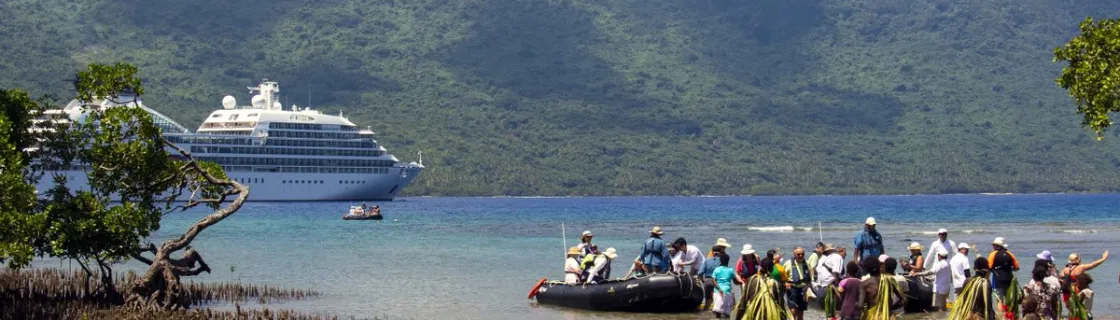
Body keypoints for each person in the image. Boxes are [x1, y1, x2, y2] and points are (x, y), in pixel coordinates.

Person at [783, 247, 811, 320]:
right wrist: (785, 283)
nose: (801, 256)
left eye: (802, 254)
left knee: (801, 310)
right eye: (798, 254)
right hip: (792, 288)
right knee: (793, 309)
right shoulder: (788, 263)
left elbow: (810, 276)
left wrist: (809, 286)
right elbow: (783, 276)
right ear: (794, 254)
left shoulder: (807, 263)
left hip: (803, 289)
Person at [698, 245, 726, 311]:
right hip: (718, 282)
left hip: (708, 282)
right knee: (720, 301)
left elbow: (700, 273)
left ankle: (705, 315)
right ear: (720, 252)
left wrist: (703, 281)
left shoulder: (707, 261)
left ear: (712, 252)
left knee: (708, 301)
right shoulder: (722, 261)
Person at [711, 253, 735, 318]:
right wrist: (741, 282)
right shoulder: (731, 270)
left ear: (720, 261)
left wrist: (719, 289)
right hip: (727, 292)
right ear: (728, 261)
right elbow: (735, 281)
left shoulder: (717, 269)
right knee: (727, 313)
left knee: (717, 313)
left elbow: (713, 280)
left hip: (717, 292)